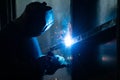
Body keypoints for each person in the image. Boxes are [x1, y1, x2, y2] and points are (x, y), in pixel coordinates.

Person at [0, 2, 66, 80]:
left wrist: (46, 60)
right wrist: (45, 65)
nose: (43, 31)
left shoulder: (27, 33)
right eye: (45, 27)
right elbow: (10, 71)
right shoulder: (8, 37)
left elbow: (29, 58)